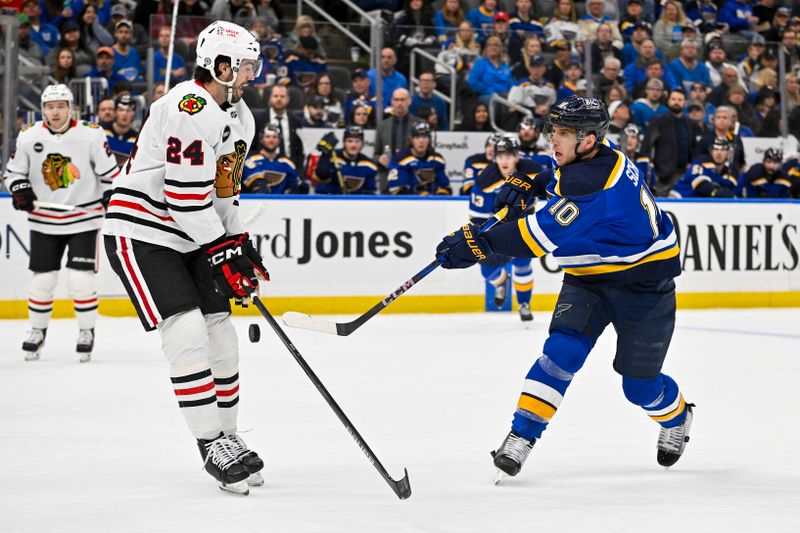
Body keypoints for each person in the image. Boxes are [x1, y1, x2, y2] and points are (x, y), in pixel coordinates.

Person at [434, 95, 692, 481]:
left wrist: (478, 244)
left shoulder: (594, 187)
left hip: (644, 285)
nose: (554, 139)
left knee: (639, 387)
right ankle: (522, 436)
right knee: (561, 353)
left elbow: (532, 239)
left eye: (564, 133)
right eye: (553, 130)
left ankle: (678, 417)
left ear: (588, 140)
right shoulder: (595, 158)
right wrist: (533, 180)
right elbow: (557, 176)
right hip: (588, 279)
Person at [101, 20, 268, 496]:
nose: (253, 74)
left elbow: (223, 195)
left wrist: (239, 245)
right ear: (220, 65)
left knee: (222, 332)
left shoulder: (242, 118)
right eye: (246, 66)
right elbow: (182, 196)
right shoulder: (186, 106)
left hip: (192, 233)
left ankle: (229, 434)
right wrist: (221, 249)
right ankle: (209, 441)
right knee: (188, 329)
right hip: (142, 232)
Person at [4, 84, 119, 362]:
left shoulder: (91, 135)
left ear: (71, 108)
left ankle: (86, 331)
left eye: (61, 106)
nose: (55, 112)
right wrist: (20, 189)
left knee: (81, 279)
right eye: (50, 107)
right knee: (43, 280)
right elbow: (12, 173)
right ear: (43, 110)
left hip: (84, 218)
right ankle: (37, 331)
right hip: (44, 221)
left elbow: (110, 175)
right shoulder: (29, 136)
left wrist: (109, 195)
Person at [467, 135, 541, 321]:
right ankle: (501, 282)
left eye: (509, 156)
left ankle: (524, 303)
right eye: (500, 156)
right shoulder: (485, 182)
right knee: (487, 271)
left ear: (517, 157)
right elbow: (478, 218)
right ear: (495, 158)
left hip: (524, 224)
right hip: (497, 230)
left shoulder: (532, 170)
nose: (504, 161)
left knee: (522, 265)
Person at [643, 88, 699, 195]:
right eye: (673, 99)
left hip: (683, 175)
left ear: (685, 103)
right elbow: (647, 147)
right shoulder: (658, 121)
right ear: (669, 101)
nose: (676, 102)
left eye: (679, 100)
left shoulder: (690, 123)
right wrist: (652, 172)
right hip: (662, 175)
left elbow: (693, 147)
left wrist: (691, 165)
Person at [387, 122, 450, 195]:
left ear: (429, 140)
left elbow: (444, 187)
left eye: (425, 137)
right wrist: (419, 196)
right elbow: (397, 191)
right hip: (406, 204)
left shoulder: (437, 159)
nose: (421, 141)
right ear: (411, 140)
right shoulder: (400, 159)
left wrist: (437, 197)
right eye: (417, 137)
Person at [313, 126, 378, 195]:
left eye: (357, 141)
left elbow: (370, 192)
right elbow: (322, 177)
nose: (353, 145)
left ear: (362, 144)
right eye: (350, 141)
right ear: (344, 143)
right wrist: (325, 155)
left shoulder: (369, 165)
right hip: (330, 201)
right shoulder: (332, 157)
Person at [374, 88, 424, 172]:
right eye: (396, 100)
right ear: (392, 102)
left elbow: (427, 154)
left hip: (412, 174)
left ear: (409, 101)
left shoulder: (419, 124)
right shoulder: (382, 125)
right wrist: (379, 159)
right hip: (388, 176)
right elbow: (376, 154)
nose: (399, 103)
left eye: (403, 100)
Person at [670, 136, 737, 198]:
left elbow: (732, 188)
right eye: (716, 149)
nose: (719, 153)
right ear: (711, 152)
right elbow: (700, 185)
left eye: (723, 150)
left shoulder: (728, 171)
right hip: (678, 198)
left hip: (699, 204)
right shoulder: (701, 161)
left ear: (728, 153)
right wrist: (715, 192)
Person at [242, 124, 299, 194]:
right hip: (254, 202)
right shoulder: (250, 159)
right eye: (267, 137)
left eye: (274, 137)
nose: (271, 140)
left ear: (279, 140)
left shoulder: (287, 163)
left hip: (280, 202)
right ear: (261, 140)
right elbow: (256, 183)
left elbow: (293, 187)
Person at [101, 94, 139, 166]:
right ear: (115, 112)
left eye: (128, 110)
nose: (124, 114)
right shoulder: (102, 130)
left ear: (134, 114)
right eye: (121, 110)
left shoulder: (138, 138)